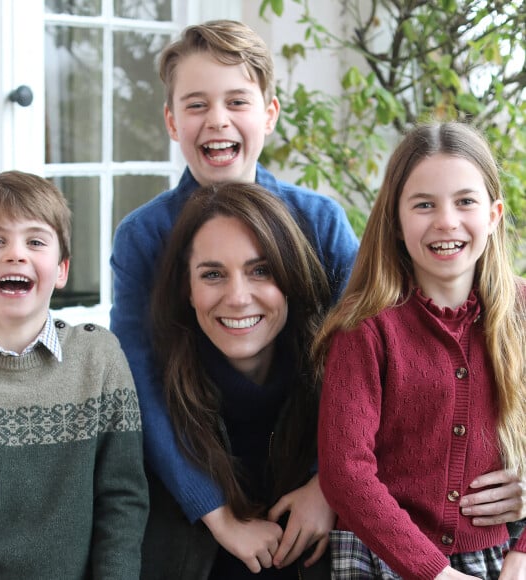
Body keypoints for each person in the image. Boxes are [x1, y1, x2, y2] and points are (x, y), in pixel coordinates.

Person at [109, 19, 359, 576]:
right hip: (192, 485)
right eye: (196, 104)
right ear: (172, 121)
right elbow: (140, 386)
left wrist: (328, 484)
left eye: (236, 101)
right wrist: (217, 516)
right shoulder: (143, 238)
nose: (217, 120)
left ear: (268, 113)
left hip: (311, 478)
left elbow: (362, 367)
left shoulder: (321, 223)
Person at [315, 122, 526, 579]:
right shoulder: (365, 328)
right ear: (395, 220)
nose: (446, 221)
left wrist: (523, 554)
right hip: (381, 556)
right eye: (424, 204)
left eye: (465, 201)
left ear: (493, 215)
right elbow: (344, 471)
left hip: (498, 558)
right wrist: (437, 574)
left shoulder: (522, 314)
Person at [0, 170, 149, 579]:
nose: (16, 254)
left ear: (61, 270)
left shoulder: (99, 357)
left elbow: (122, 499)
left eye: (35, 241)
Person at [144, 181, 333, 578]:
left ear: (291, 278)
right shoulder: (151, 411)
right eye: (213, 274)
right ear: (188, 290)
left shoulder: (339, 393)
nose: (238, 297)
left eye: (260, 270)